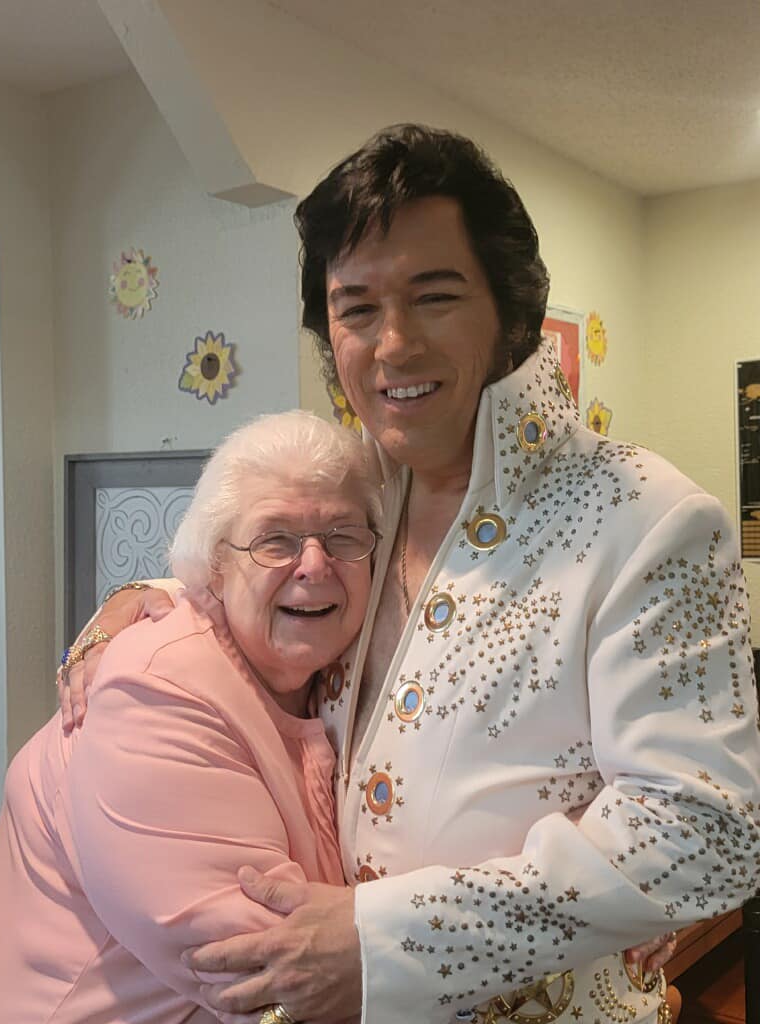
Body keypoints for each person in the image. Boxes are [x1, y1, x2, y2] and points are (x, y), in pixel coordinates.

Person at [61, 125, 760, 1024]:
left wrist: (387, 937)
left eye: (434, 296)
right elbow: (264, 564)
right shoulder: (361, 493)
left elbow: (707, 835)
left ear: (508, 311)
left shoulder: (647, 518)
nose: (392, 345)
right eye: (355, 308)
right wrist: (148, 599)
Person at [0, 410, 381, 1023]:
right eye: (275, 539)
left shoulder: (320, 671)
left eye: (343, 536)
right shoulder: (154, 694)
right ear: (215, 568)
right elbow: (273, 975)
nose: (313, 564)